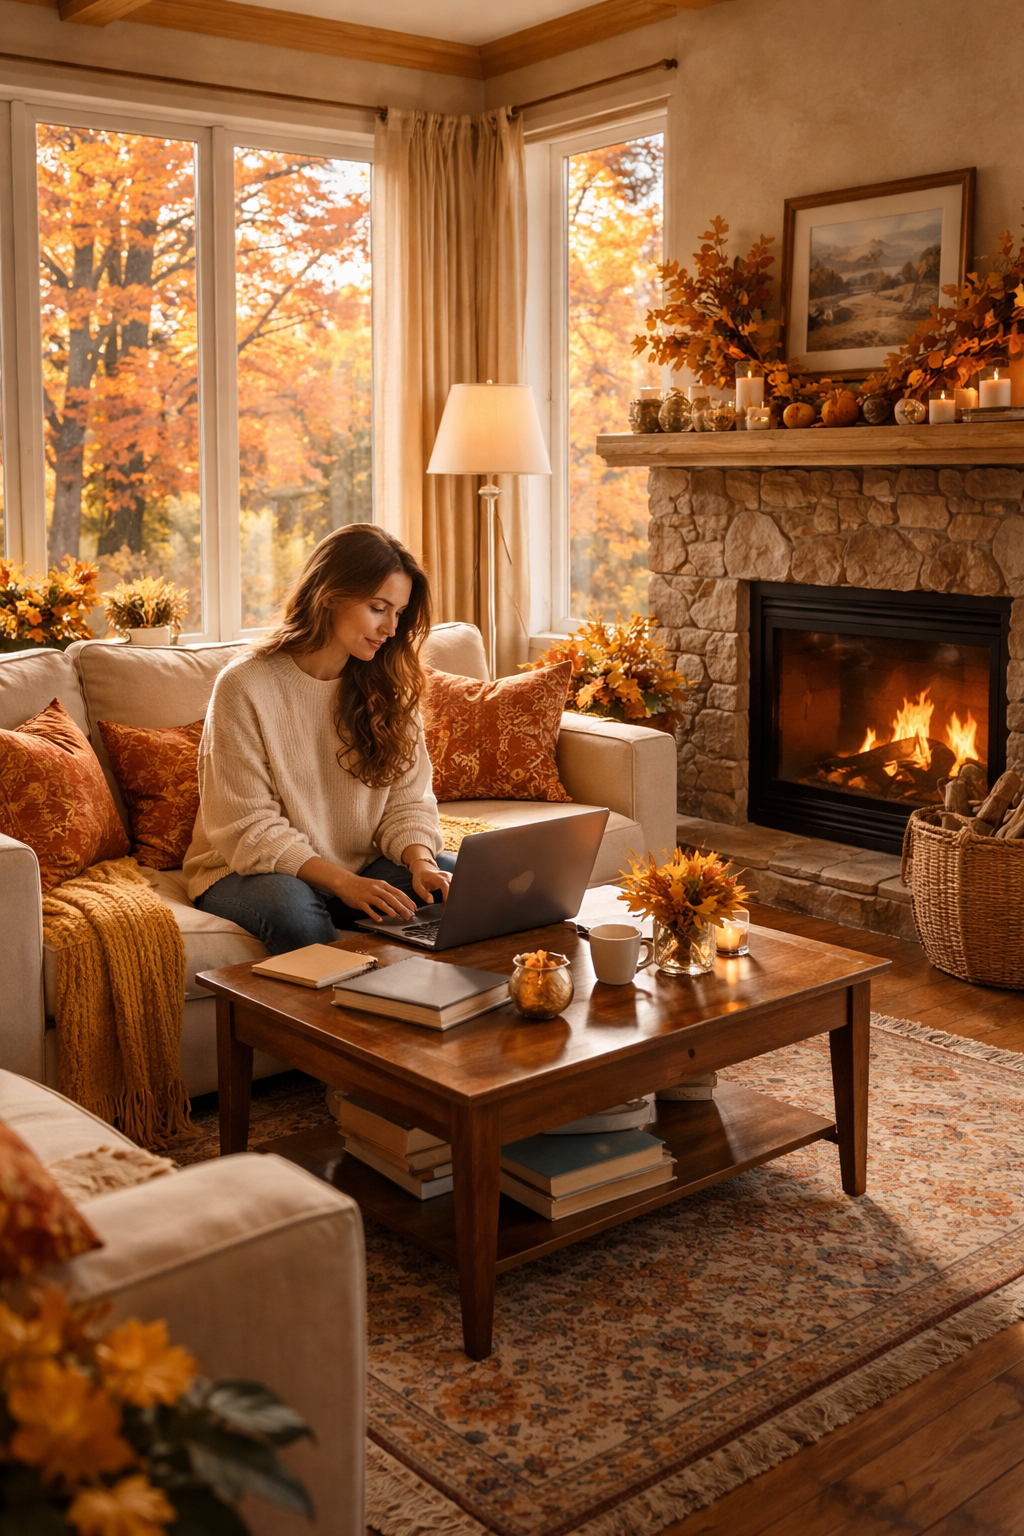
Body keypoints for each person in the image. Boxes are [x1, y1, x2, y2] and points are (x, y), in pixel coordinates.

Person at [185, 524, 455, 955]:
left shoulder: (390, 683)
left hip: (359, 866)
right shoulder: (245, 685)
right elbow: (248, 828)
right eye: (377, 607)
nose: (390, 627)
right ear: (330, 595)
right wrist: (345, 884)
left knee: (465, 886)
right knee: (295, 913)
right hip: (246, 870)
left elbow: (408, 801)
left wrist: (422, 862)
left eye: (399, 612)